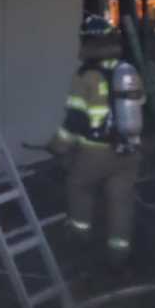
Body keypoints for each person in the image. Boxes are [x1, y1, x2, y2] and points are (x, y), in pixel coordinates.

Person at [45, 16, 144, 265]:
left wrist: (57, 146)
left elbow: (75, 120)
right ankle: (119, 257)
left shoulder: (85, 76)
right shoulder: (127, 70)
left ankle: (79, 243)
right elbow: (139, 105)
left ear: (88, 42)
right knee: (121, 201)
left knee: (79, 188)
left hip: (95, 153)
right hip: (129, 150)